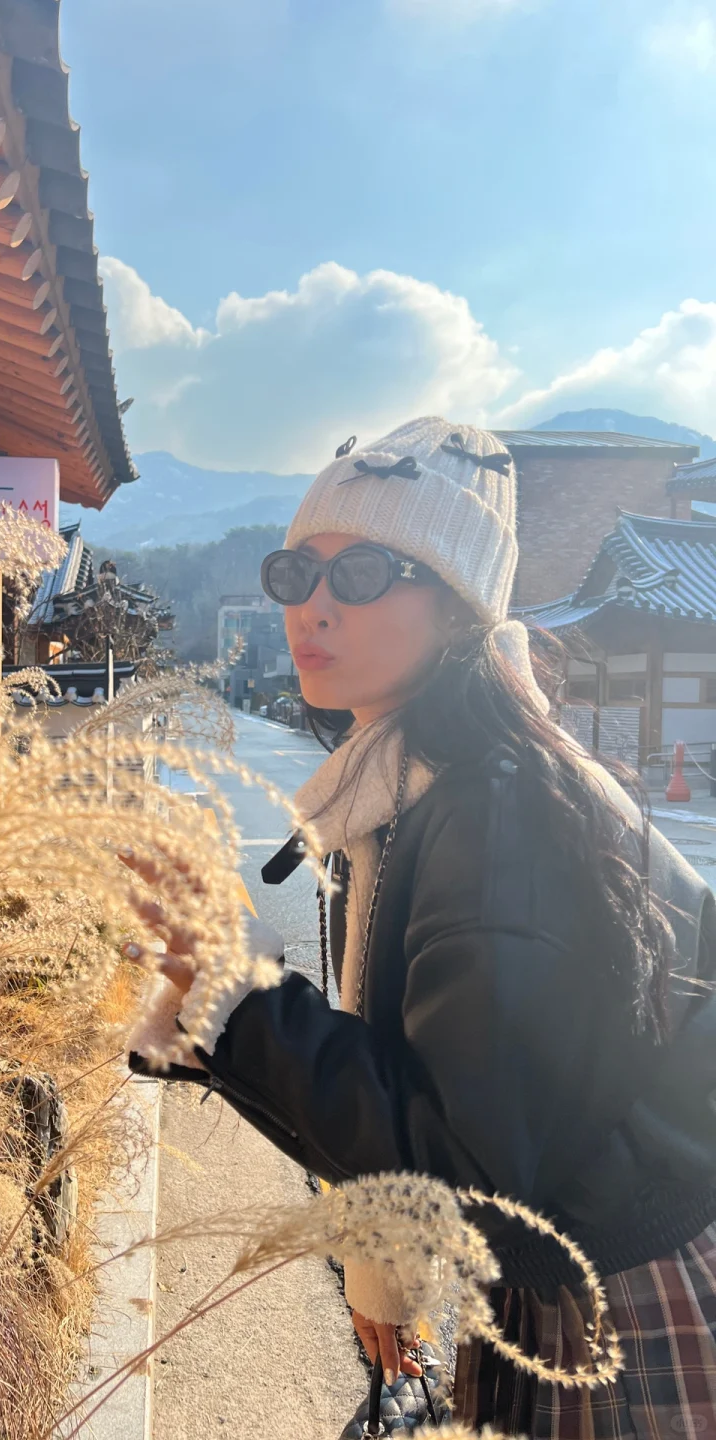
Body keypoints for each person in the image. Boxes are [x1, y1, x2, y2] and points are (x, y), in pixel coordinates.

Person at [128, 417, 716, 1438]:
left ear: (456, 605)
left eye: (362, 573)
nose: (313, 605)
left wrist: (237, 995)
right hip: (572, 1267)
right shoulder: (408, 781)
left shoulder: (498, 818)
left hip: (623, 1303)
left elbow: (471, 1175)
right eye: (293, 573)